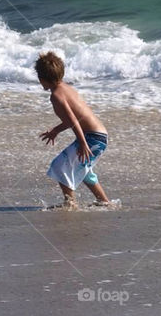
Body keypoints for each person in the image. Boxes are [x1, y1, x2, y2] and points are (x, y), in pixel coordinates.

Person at [35, 51, 111, 207]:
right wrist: (56, 130)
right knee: (83, 170)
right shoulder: (66, 88)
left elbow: (73, 120)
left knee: (59, 166)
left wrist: (83, 143)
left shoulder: (56, 95)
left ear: (42, 79)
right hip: (99, 136)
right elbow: (74, 118)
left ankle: (70, 203)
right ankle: (104, 201)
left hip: (91, 138)